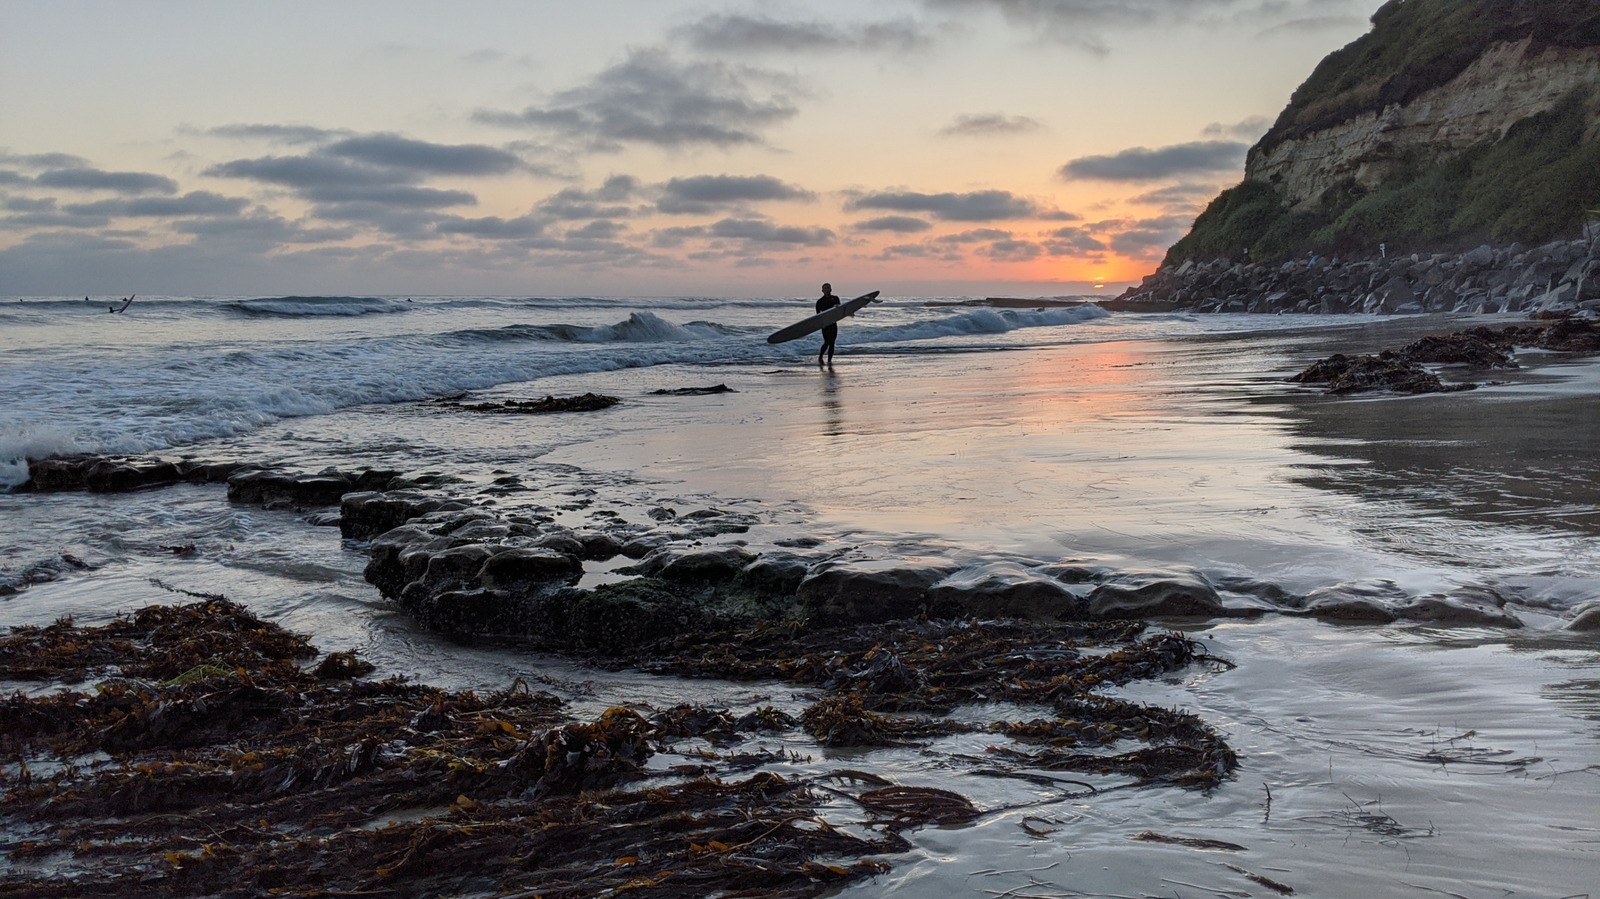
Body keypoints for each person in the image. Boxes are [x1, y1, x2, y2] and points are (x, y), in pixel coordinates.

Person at [816, 282, 846, 366]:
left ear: (831, 289)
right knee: (827, 342)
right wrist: (821, 324)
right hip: (825, 324)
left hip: (833, 322)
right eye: (825, 288)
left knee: (832, 342)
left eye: (828, 288)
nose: (827, 290)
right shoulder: (820, 301)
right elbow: (818, 315)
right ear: (822, 290)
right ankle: (820, 357)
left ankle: (829, 361)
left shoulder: (835, 298)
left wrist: (837, 306)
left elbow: (839, 308)